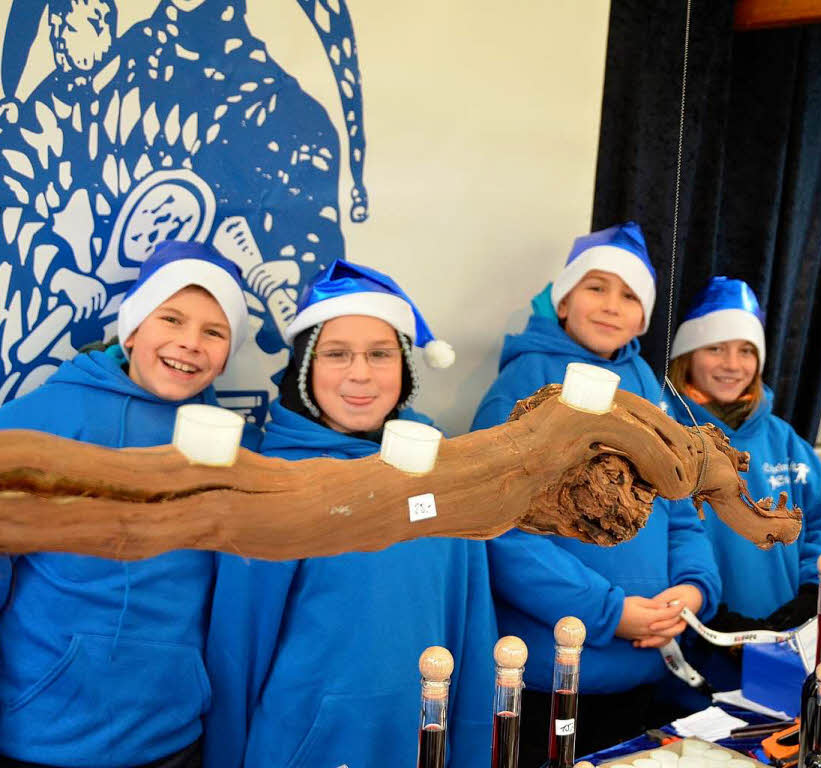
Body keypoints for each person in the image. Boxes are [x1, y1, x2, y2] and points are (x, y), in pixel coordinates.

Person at [203, 259, 496, 768]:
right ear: (306, 367)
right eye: (337, 354)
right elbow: (237, 651)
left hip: (420, 745)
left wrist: (471, 751)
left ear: (404, 368)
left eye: (380, 354)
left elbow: (472, 626)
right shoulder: (272, 479)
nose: (360, 373)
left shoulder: (446, 470)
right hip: (303, 748)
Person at [471, 222, 722, 762]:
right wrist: (607, 612)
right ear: (563, 302)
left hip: (644, 672)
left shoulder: (649, 391)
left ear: (644, 317)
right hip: (548, 679)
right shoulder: (520, 389)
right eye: (595, 287)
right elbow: (501, 531)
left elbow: (680, 510)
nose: (611, 305)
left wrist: (692, 592)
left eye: (629, 295)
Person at [0, 241, 252, 768]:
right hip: (43, 731)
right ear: (134, 327)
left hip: (172, 735)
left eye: (213, 331)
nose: (189, 344)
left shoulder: (235, 447)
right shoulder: (36, 420)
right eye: (172, 319)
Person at [665, 276, 821, 690]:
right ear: (687, 356)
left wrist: (811, 594)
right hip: (689, 649)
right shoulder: (665, 438)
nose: (733, 365)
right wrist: (708, 612)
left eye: (746, 350)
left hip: (779, 650)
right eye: (715, 347)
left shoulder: (785, 442)